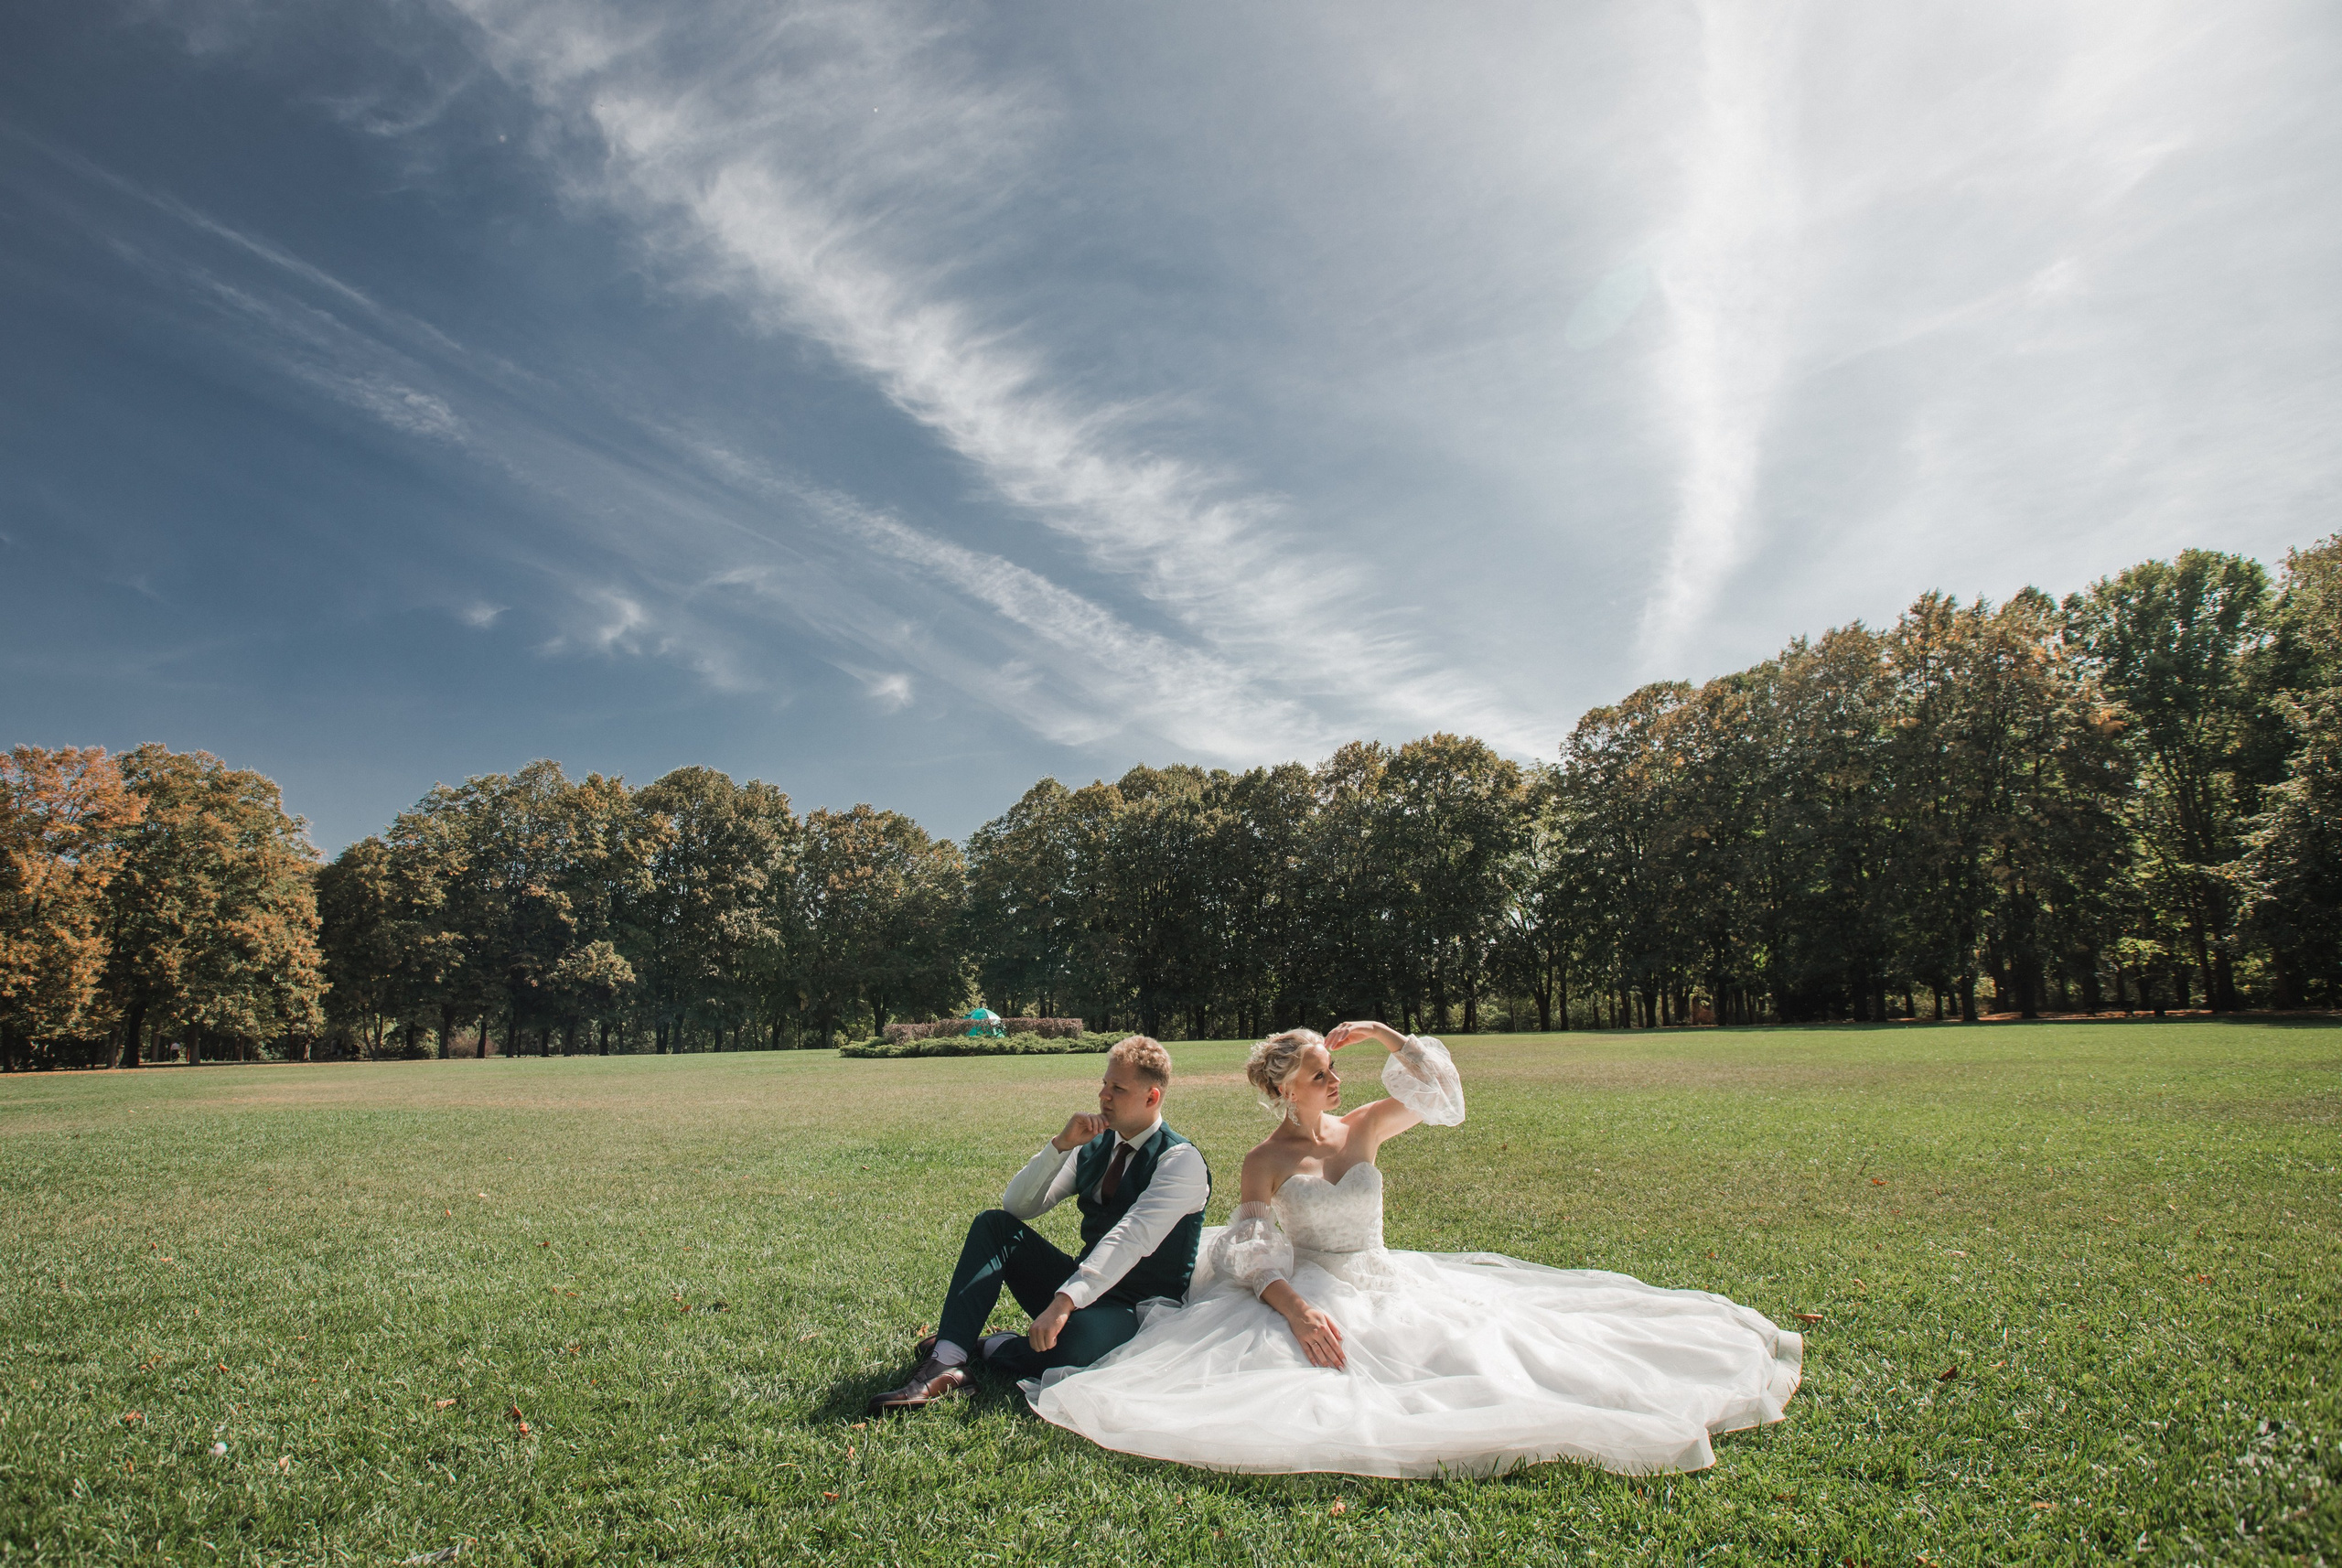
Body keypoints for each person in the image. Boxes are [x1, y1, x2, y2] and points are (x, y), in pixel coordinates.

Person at [1023, 1022, 1803, 1477]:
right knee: (1331, 1382)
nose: (1336, 1081)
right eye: (1323, 1075)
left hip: (1388, 1280)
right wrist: (1294, 1311)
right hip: (1313, 1288)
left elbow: (1444, 1101)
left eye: (1335, 1072)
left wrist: (1385, 1031)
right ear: (1287, 1089)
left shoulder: (1363, 1125)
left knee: (1489, 1356)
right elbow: (1249, 1254)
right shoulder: (1263, 1161)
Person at [867, 1035, 1211, 1413]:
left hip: (1140, 1306)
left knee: (1075, 1345)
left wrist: (1063, 1302)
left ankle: (992, 1346)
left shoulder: (1181, 1161)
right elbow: (1018, 1205)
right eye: (1103, 1084)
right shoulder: (1094, 1145)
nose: (1104, 1096)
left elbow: (1132, 1237)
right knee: (994, 1226)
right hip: (1086, 1284)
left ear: (1151, 1097)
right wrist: (1059, 1146)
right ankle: (948, 1361)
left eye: (1118, 1088)